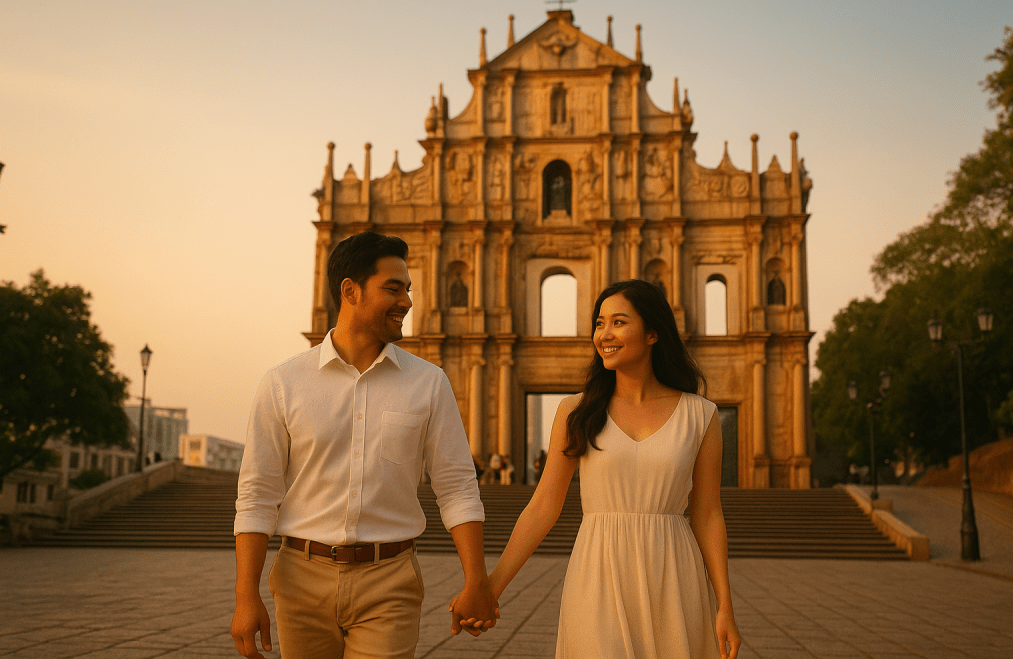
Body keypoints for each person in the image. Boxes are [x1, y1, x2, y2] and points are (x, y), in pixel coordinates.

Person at [231, 232, 498, 659]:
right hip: (301, 577)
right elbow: (258, 494)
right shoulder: (283, 383)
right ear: (350, 291)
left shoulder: (428, 383)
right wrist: (247, 597)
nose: (408, 301)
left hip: (390, 578)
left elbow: (457, 487)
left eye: (408, 289)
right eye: (393, 288)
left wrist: (476, 581)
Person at [456, 279, 741, 658]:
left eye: (619, 322)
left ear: (653, 332)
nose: (604, 334)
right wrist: (489, 588)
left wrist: (724, 604)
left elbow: (707, 515)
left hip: (675, 574)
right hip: (598, 573)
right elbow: (543, 508)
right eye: (599, 323)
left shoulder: (700, 414)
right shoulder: (576, 412)